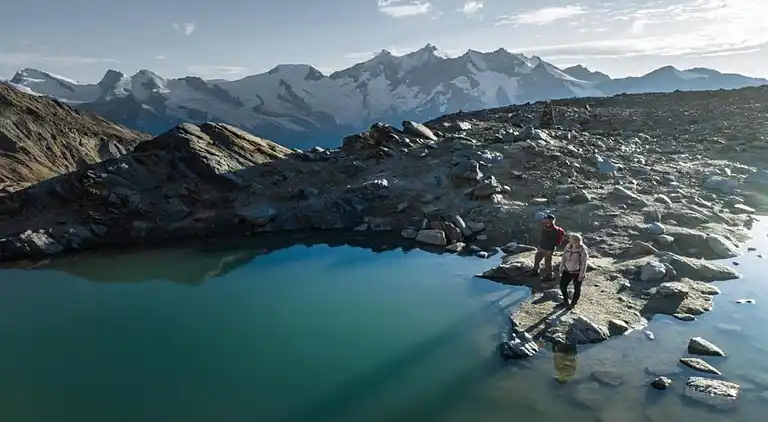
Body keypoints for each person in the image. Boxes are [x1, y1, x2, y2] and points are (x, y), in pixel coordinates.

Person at [527, 214, 566, 281]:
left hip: (549, 249)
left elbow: (556, 242)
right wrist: (540, 246)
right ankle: (535, 271)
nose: (544, 220)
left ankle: (549, 275)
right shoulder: (545, 227)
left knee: (547, 262)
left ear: (550, 220)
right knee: (537, 259)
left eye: (546, 219)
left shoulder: (556, 230)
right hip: (542, 247)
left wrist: (550, 249)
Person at [558, 233, 589, 309]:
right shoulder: (568, 247)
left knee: (577, 288)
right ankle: (565, 301)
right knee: (562, 286)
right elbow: (564, 257)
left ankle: (573, 303)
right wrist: (561, 267)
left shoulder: (582, 249)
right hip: (567, 270)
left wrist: (582, 274)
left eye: (570, 238)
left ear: (575, 240)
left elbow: (584, 263)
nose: (569, 239)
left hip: (577, 272)